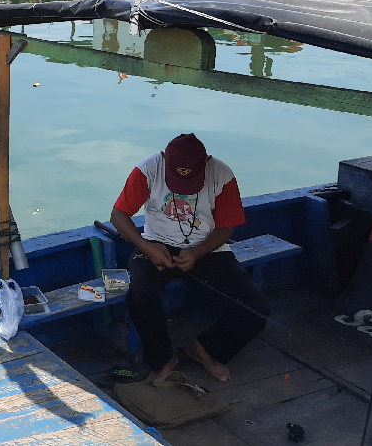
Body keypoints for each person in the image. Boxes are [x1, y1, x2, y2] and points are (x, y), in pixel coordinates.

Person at [109, 133, 269, 381]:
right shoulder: (148, 168)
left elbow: (227, 227)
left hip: (207, 248)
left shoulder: (222, 175)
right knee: (140, 294)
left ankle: (204, 349)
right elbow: (118, 215)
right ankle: (163, 359)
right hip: (154, 244)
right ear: (164, 159)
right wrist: (145, 246)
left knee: (256, 308)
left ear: (206, 163)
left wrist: (196, 252)